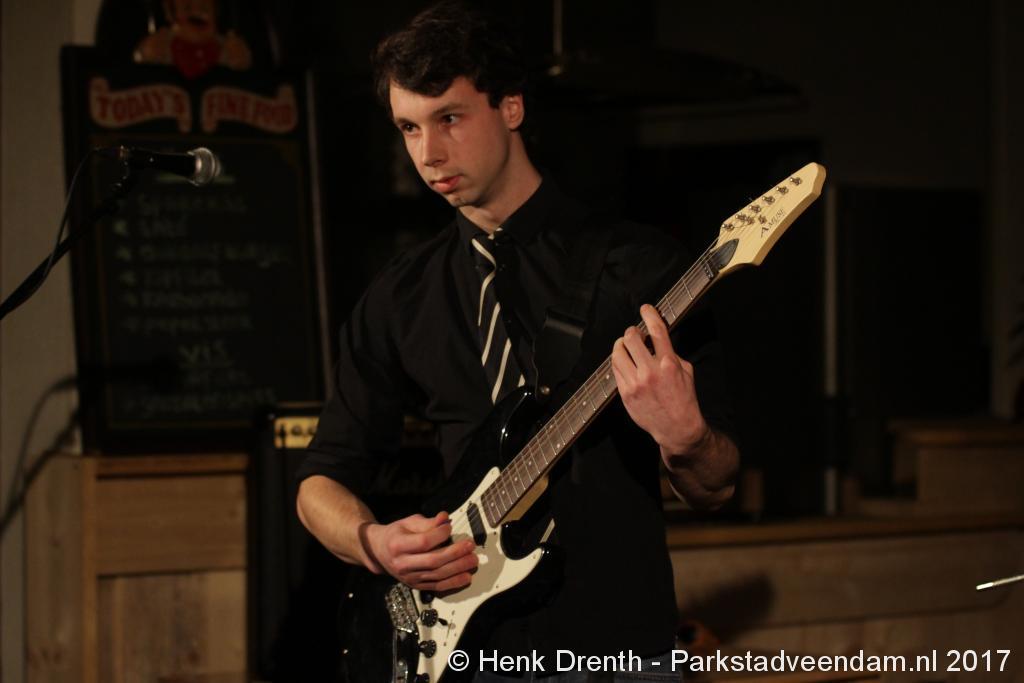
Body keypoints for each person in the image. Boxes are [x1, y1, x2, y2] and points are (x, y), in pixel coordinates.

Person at [296, 2, 739, 680]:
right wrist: (373, 541)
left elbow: (717, 485)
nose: (427, 154)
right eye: (409, 127)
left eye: (449, 118)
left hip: (618, 652)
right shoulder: (399, 297)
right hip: (463, 657)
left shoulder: (641, 269)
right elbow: (321, 479)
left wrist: (686, 440)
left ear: (510, 107)